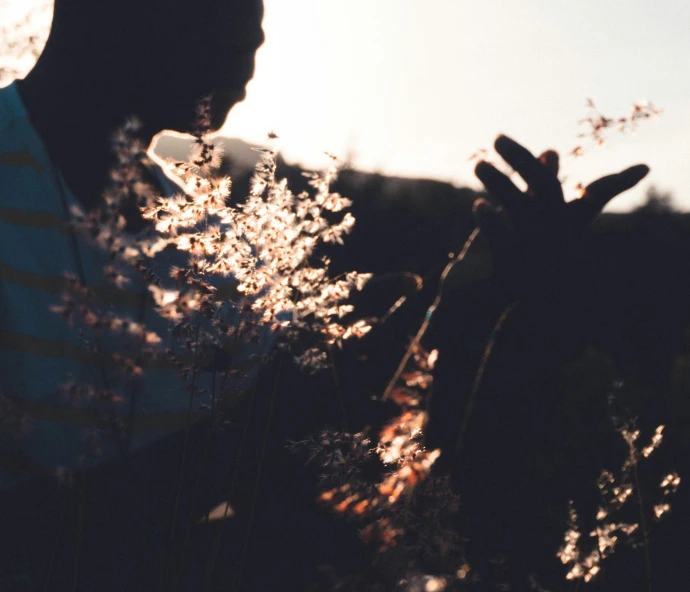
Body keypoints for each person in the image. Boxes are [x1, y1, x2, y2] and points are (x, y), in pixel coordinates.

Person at [0, 0, 651, 589]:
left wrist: (486, 310)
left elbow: (340, 511)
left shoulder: (214, 244)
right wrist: (261, 434)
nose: (250, 37)